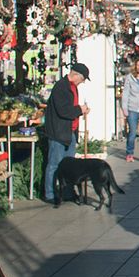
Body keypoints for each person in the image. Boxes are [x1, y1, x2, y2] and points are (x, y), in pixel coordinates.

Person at [42, 64, 89, 207]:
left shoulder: (72, 87)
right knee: (54, 164)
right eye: (82, 79)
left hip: (69, 132)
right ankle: (49, 194)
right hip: (59, 132)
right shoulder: (61, 87)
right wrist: (79, 109)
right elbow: (63, 111)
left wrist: (80, 110)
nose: (82, 82)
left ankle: (68, 191)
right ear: (76, 75)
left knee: (69, 165)